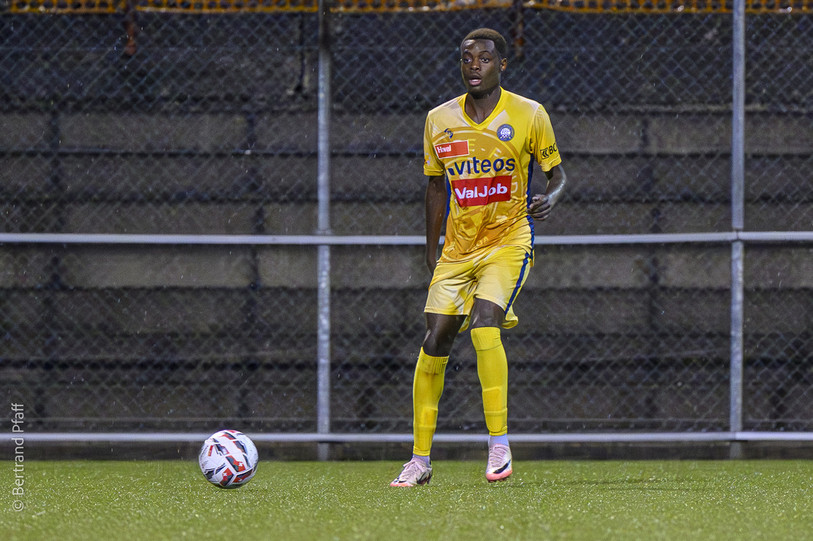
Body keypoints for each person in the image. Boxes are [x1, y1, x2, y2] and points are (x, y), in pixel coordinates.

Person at [390, 28, 566, 487]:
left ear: (500, 65)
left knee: (484, 324)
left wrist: (551, 196)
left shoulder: (529, 114)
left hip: (508, 241)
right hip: (457, 249)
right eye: (467, 58)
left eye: (484, 59)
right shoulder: (438, 120)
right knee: (436, 339)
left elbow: (558, 174)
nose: (474, 65)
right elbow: (435, 185)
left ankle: (499, 445)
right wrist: (433, 253)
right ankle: (420, 460)